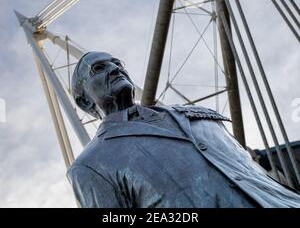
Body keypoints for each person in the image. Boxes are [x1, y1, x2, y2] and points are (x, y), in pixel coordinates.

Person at [67, 51, 300, 208]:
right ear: (85, 102)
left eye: (118, 64)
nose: (116, 69)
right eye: (99, 68)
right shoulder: (91, 165)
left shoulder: (201, 116)